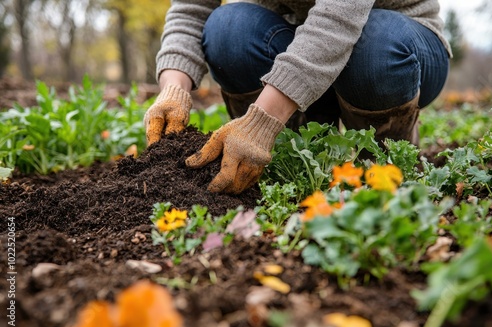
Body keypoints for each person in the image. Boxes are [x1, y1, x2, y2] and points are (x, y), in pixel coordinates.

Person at [143, 0, 451, 194]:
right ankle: (292, 157)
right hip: (288, 38)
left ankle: (386, 152)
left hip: (397, 43)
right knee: (229, 30)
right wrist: (174, 87)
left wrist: (262, 120)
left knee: (375, 46)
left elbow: (339, 18)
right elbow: (191, 7)